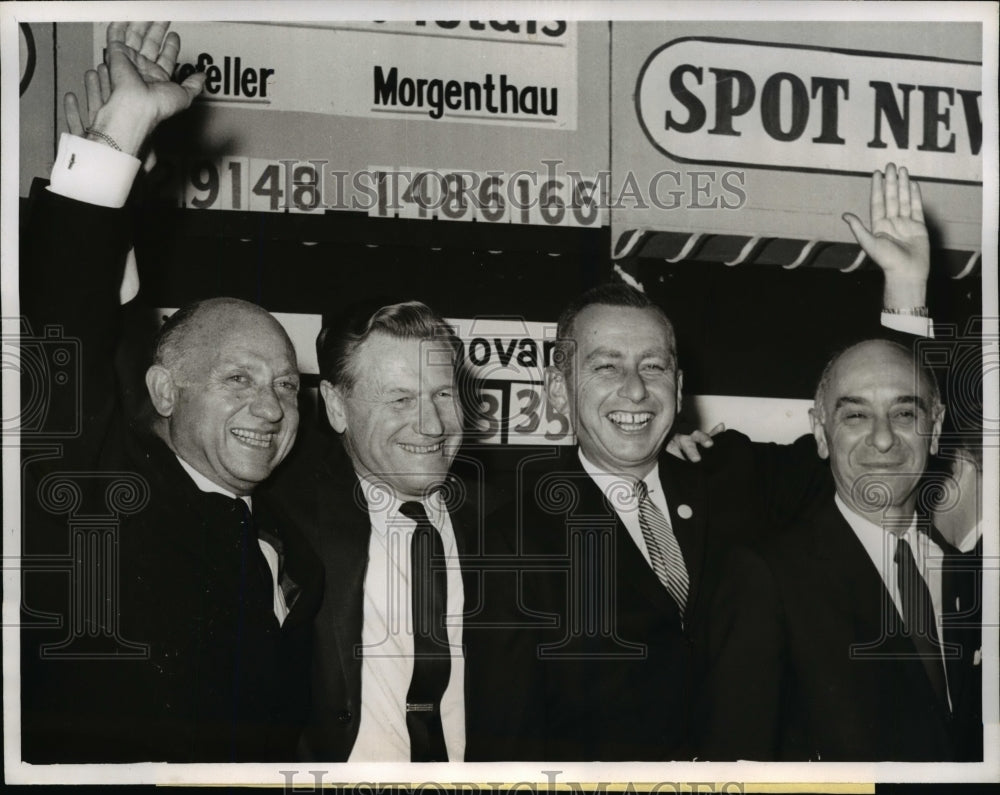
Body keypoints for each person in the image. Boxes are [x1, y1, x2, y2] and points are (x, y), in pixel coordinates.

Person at [491, 164, 940, 761]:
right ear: (556, 390)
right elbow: (508, 739)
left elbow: (874, 441)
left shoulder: (729, 476)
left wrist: (906, 294)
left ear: (678, 387)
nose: (634, 390)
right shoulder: (513, 536)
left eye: (652, 367)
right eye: (605, 367)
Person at [20, 22, 322, 763]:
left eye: (286, 383)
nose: (273, 405)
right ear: (162, 388)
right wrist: (116, 138)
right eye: (239, 378)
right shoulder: (97, 491)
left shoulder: (299, 541)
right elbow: (66, 332)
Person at [706, 341, 983, 761]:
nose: (884, 438)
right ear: (820, 432)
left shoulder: (967, 575)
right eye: (855, 415)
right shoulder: (767, 577)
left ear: (936, 427)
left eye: (905, 413)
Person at [262, 301, 509, 762]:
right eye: (400, 399)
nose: (432, 425)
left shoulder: (505, 521)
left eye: (442, 395)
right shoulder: (285, 509)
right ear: (336, 406)